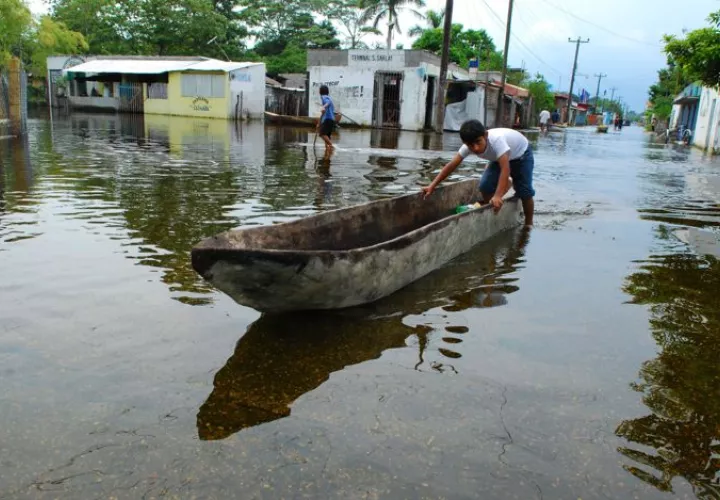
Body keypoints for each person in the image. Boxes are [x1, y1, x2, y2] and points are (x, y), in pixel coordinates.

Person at [422, 120, 535, 227]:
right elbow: (451, 166)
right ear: (465, 143)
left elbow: (505, 169)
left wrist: (497, 196)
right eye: (471, 145)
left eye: (478, 142)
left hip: (522, 155)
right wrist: (432, 186)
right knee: (485, 186)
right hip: (498, 158)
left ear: (485, 135)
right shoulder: (467, 147)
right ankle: (492, 210)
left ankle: (528, 224)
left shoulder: (497, 141)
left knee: (524, 192)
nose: (475, 148)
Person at [316, 85, 335, 150]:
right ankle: (327, 150)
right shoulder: (329, 97)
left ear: (321, 91)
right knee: (327, 136)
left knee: (322, 134)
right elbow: (323, 113)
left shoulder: (324, 97)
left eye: (319, 90)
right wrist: (319, 123)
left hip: (328, 119)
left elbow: (328, 103)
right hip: (331, 119)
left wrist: (324, 106)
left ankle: (332, 146)